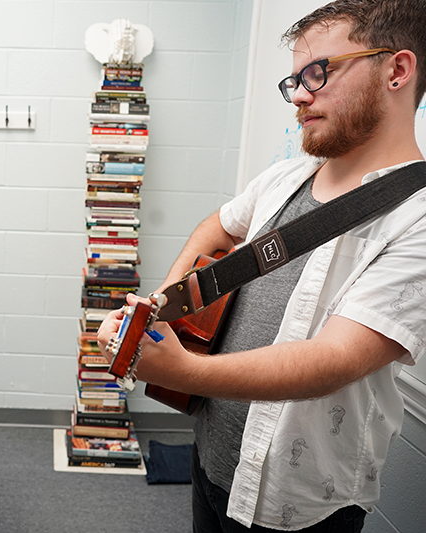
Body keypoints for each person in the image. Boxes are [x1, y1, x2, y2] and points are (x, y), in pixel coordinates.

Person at [97, 1, 426, 531]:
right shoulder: (286, 177)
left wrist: (187, 371)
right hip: (212, 456)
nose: (299, 94)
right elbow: (216, 226)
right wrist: (158, 305)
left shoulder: (417, 218)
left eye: (319, 71)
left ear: (397, 70)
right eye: (295, 79)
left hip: (296, 504)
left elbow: (335, 359)